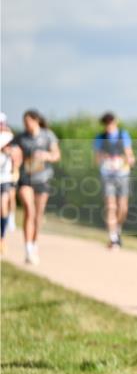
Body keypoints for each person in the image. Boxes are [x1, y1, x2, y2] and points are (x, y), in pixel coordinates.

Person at [15, 109, 60, 265]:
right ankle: (27, 249)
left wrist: (46, 155)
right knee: (29, 209)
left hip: (43, 179)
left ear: (36, 121)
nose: (26, 125)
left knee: (38, 215)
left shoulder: (48, 135)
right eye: (24, 122)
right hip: (25, 179)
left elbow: (56, 155)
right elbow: (8, 148)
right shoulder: (21, 137)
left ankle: (34, 244)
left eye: (28, 122)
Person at [93, 112, 136, 249]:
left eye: (111, 122)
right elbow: (97, 159)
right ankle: (113, 237)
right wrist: (105, 159)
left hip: (122, 173)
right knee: (111, 206)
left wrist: (129, 160)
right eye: (106, 123)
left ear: (115, 122)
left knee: (122, 207)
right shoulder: (100, 138)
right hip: (108, 175)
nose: (109, 125)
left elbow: (129, 154)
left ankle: (117, 230)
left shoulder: (123, 135)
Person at [0, 113, 23, 257]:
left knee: (3, 205)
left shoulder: (10, 137)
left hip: (5, 178)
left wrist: (15, 169)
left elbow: (17, 154)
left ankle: (2, 237)